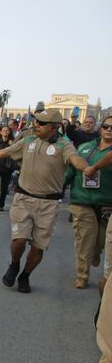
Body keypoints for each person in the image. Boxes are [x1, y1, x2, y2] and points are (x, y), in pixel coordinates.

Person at [0, 109, 91, 293]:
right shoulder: (28, 141)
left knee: (38, 247)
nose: (36, 125)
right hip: (23, 198)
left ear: (54, 127)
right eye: (36, 121)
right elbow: (3, 153)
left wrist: (87, 168)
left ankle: (25, 275)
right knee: (19, 240)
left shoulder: (64, 145)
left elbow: (76, 159)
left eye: (41, 123)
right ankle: (14, 264)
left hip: (48, 204)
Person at [66, 122, 112, 289]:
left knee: (99, 242)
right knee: (84, 239)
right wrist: (59, 186)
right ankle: (82, 275)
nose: (109, 130)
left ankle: (96, 252)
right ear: (101, 129)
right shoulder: (85, 147)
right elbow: (71, 170)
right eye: (106, 126)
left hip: (107, 204)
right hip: (82, 200)